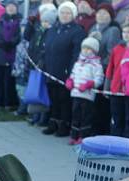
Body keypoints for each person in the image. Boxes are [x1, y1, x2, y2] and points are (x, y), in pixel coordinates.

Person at [42, 1, 85, 137]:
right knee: (53, 98)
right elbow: (46, 48)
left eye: (68, 13)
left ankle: (64, 125)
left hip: (65, 71)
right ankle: (53, 122)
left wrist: (71, 72)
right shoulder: (53, 29)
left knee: (64, 99)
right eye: (62, 12)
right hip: (51, 69)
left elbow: (76, 54)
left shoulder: (77, 31)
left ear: (73, 15)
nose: (65, 15)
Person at [65, 36, 104, 144]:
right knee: (75, 114)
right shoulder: (78, 62)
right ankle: (73, 135)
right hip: (76, 93)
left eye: (89, 48)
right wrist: (70, 81)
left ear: (94, 51)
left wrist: (90, 84)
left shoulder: (96, 64)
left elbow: (99, 79)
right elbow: (73, 74)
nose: (85, 51)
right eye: (84, 48)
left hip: (87, 95)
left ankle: (83, 136)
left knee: (86, 116)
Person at [89, 3, 121, 136]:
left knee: (102, 105)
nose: (101, 15)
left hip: (104, 71)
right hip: (90, 71)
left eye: (105, 13)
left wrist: (97, 64)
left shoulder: (113, 30)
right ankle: (93, 130)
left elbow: (111, 54)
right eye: (99, 12)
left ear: (110, 16)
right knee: (92, 104)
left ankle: (102, 133)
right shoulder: (92, 28)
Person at [23, 3, 56, 126]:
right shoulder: (38, 29)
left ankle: (43, 117)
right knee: (34, 89)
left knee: (43, 92)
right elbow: (27, 37)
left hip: (43, 66)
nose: (45, 23)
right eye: (43, 20)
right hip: (34, 63)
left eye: (47, 21)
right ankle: (34, 115)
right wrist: (30, 24)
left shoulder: (51, 32)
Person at [0, 0, 20, 111]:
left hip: (12, 55)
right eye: (9, 6)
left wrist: (11, 42)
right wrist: (2, 43)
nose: (11, 8)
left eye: (13, 6)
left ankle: (9, 103)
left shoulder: (19, 21)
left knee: (9, 82)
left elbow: (19, 36)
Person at [106, 21, 129, 137]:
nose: (126, 35)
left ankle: (127, 142)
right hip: (116, 89)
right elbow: (110, 68)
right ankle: (115, 140)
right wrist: (107, 86)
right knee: (116, 117)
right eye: (124, 32)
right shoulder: (117, 48)